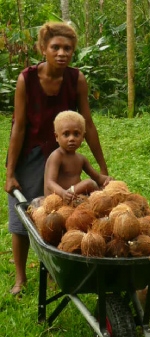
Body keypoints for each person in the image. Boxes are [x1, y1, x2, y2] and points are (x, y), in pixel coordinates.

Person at [4, 21, 108, 295]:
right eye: (56, 47)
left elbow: (88, 123)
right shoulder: (27, 79)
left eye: (68, 49)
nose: (62, 53)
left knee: (63, 212)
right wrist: (10, 172)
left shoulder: (76, 79)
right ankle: (20, 277)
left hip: (63, 154)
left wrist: (103, 169)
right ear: (44, 49)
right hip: (32, 153)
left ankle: (55, 268)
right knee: (23, 216)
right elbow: (19, 126)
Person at [44, 110, 112, 202]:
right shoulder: (57, 156)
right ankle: (99, 198)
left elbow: (97, 177)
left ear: (83, 137)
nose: (71, 138)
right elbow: (50, 182)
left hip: (74, 197)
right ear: (56, 137)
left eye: (76, 134)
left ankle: (100, 200)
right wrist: (63, 193)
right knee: (89, 183)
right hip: (58, 198)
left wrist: (108, 180)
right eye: (66, 134)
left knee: (111, 183)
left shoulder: (81, 158)